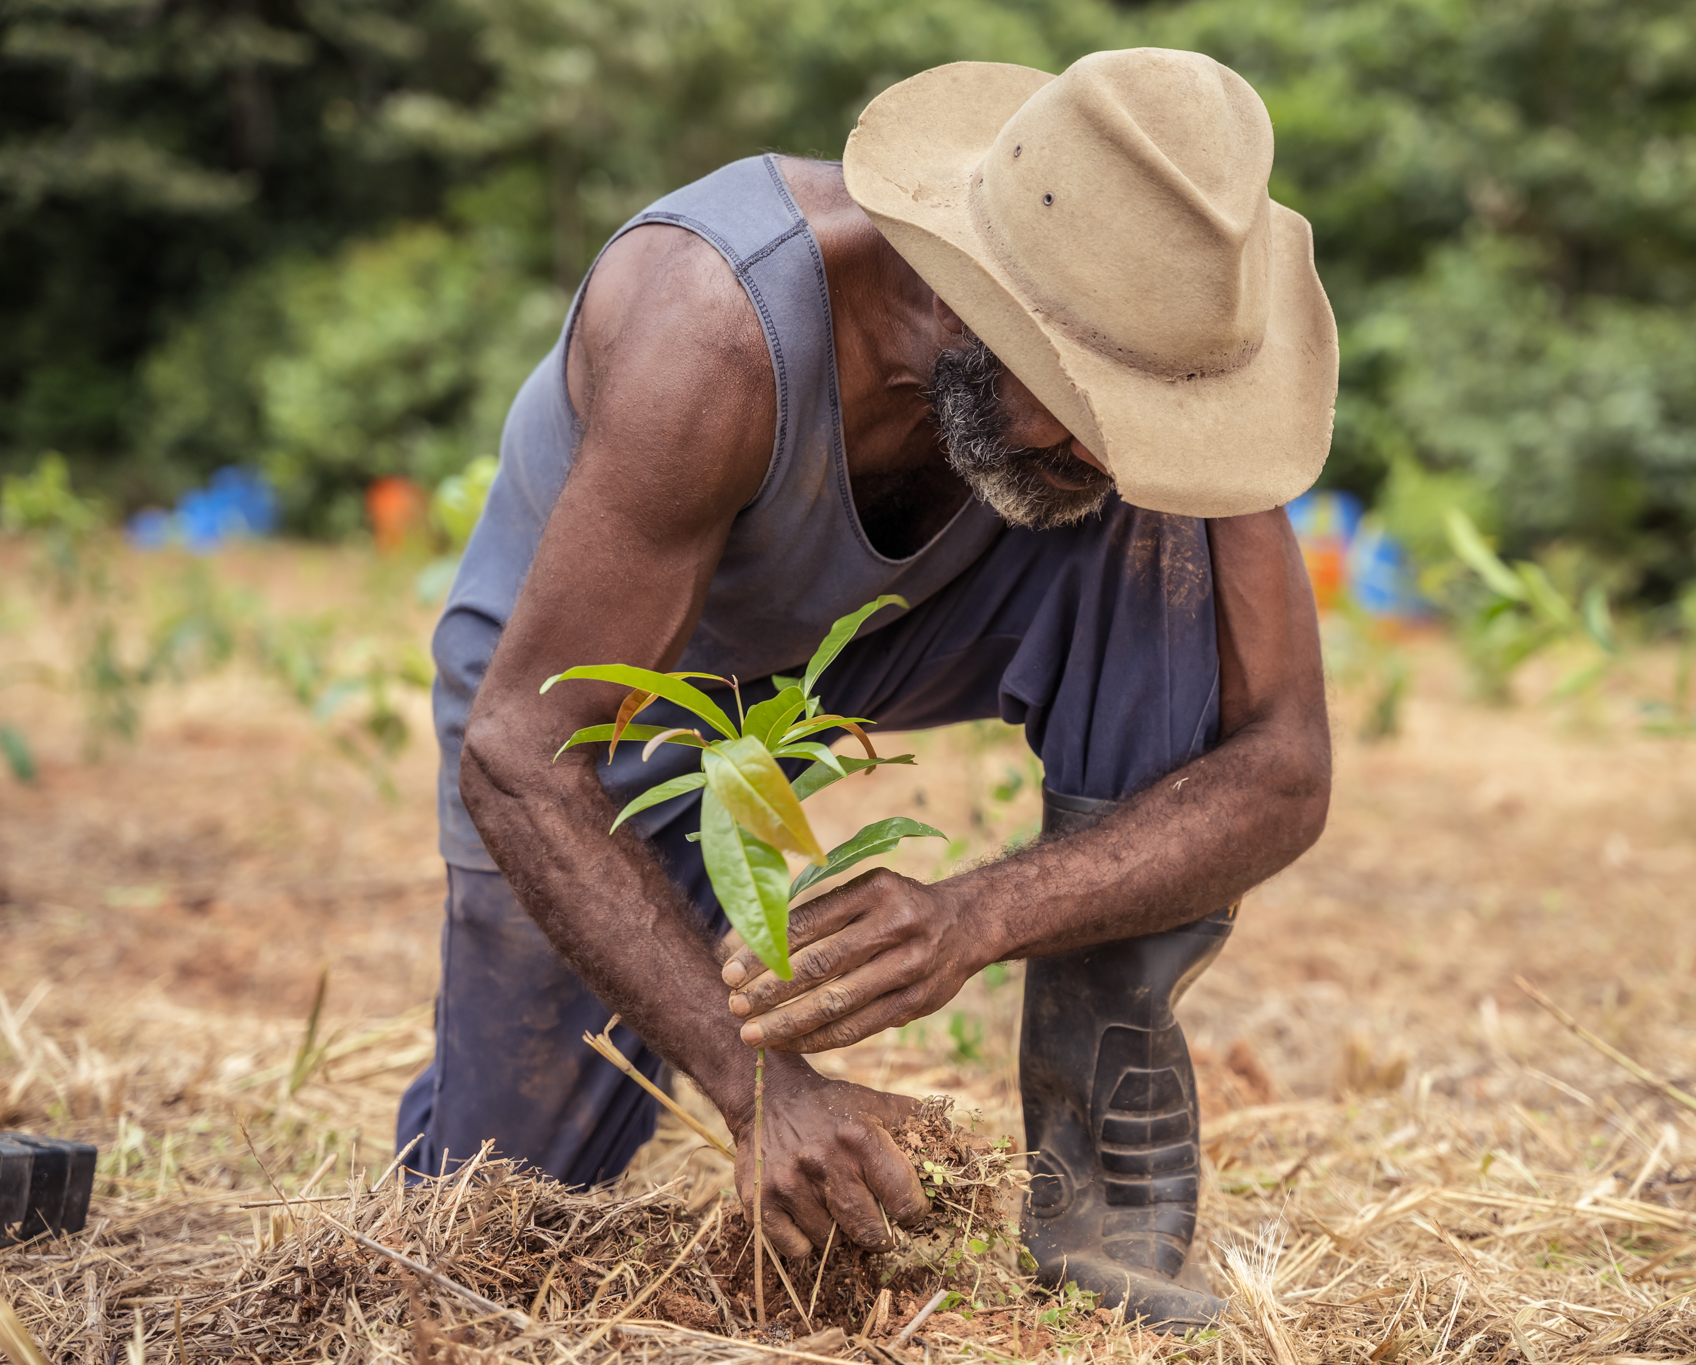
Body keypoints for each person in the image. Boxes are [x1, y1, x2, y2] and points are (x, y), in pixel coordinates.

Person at [400, 47, 1337, 1329]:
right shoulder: (714, 326)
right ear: (969, 297)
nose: (1116, 451)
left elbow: (1282, 769)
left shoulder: (1178, 368)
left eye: (1143, 415)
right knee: (496, 1218)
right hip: (602, 691)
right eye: (1080, 406)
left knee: (1156, 536)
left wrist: (979, 913)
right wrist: (754, 1084)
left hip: (890, 636)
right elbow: (519, 748)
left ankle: (1107, 1219)